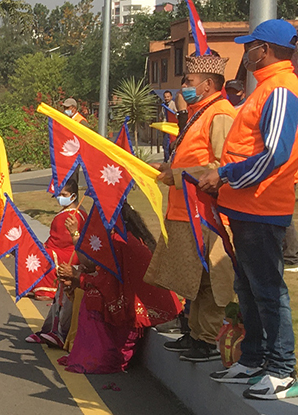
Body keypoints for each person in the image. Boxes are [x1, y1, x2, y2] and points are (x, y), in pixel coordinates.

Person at [198, 19, 298, 399]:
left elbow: (275, 155)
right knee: (249, 287)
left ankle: (281, 369)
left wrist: (224, 175)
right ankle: (254, 356)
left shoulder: (282, 90)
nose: (246, 53)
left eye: (250, 45)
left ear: (266, 51)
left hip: (261, 207)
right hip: (244, 207)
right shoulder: (269, 88)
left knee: (268, 290)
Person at [144, 53, 237, 363]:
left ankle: (208, 339)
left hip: (208, 214)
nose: (183, 86)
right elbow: (195, 159)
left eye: (189, 81)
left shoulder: (219, 114)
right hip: (185, 211)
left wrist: (179, 174)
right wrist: (169, 167)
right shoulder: (200, 112)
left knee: (212, 277)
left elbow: (222, 166)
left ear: (208, 85)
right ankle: (194, 333)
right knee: (192, 278)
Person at [57, 206, 182, 374]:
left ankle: (99, 355)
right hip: (140, 300)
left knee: (90, 296)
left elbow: (105, 283)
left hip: (140, 306)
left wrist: (77, 277)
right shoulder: (124, 237)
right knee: (82, 289)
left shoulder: (119, 242)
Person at [27, 175, 86, 347]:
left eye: (64, 194)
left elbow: (65, 242)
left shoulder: (72, 217)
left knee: (63, 289)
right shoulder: (76, 214)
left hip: (75, 259)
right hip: (76, 257)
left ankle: (59, 333)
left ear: (73, 196)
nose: (59, 198)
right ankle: (48, 330)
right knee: (61, 292)